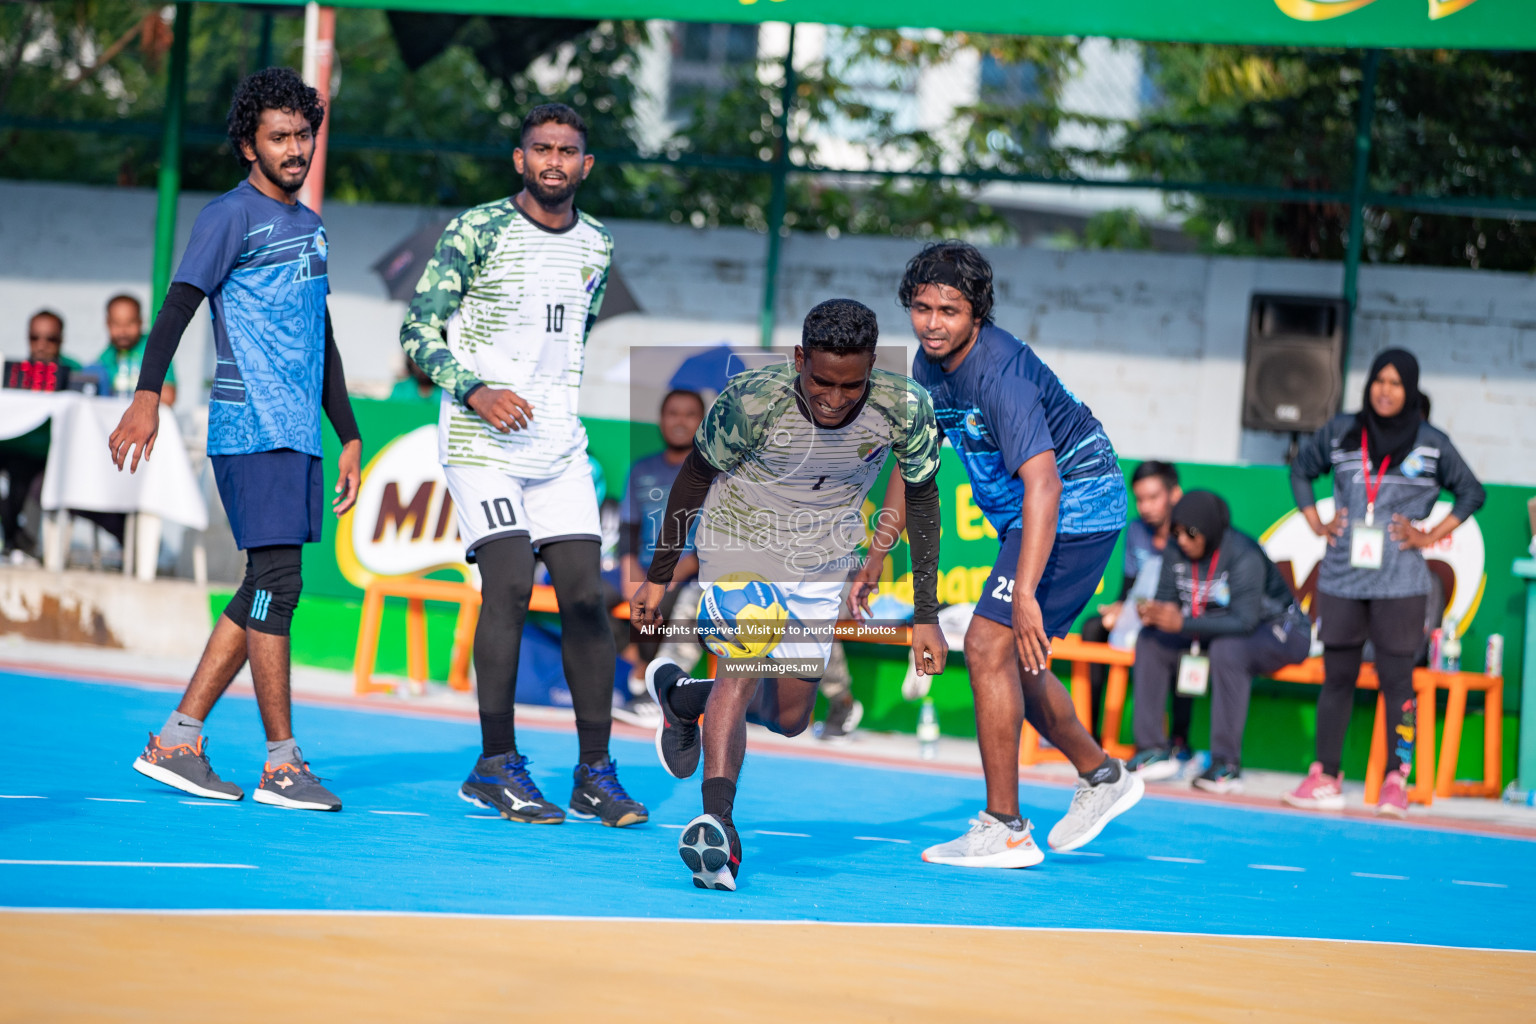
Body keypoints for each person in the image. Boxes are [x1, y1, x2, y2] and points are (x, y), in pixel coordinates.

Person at [108, 67, 362, 812]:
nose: (294, 148)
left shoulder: (312, 227)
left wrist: (347, 432)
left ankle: (179, 740)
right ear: (249, 144)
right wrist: (146, 394)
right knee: (278, 587)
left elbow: (322, 334)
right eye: (278, 136)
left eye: (303, 134)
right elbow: (179, 304)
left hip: (301, 433)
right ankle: (282, 764)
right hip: (249, 426)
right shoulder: (230, 216)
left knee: (261, 586)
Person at [633, 298, 947, 891]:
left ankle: (682, 697)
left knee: (792, 717)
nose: (833, 399)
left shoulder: (904, 407)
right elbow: (694, 478)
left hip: (821, 557)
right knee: (742, 659)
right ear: (800, 358)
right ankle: (717, 826)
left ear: (872, 366)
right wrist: (659, 573)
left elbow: (923, 499)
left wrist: (925, 615)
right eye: (821, 381)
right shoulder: (751, 401)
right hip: (739, 537)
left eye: (850, 386)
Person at [400, 102, 647, 830]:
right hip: (481, 442)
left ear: (586, 165)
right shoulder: (476, 229)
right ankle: (495, 764)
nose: (553, 161)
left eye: (567, 151)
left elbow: (572, 336)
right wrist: (476, 388)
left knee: (583, 599)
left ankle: (594, 775)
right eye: (541, 148)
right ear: (519, 158)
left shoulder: (598, 245)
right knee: (507, 585)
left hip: (558, 446)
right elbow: (417, 329)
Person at [863, 240, 1143, 869]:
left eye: (950, 311)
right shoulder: (928, 368)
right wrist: (878, 554)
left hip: (1077, 506)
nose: (933, 323)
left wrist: (1023, 596)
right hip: (1031, 514)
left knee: (990, 644)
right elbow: (914, 464)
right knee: (1012, 660)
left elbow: (1045, 483)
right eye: (922, 307)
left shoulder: (1001, 374)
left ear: (977, 315)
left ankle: (1006, 828)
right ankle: (1103, 778)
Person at [1282, 348, 1484, 817]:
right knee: (1338, 679)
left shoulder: (1432, 443)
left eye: (1396, 383)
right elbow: (1300, 469)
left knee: (1397, 683)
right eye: (1379, 381)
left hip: (1401, 584)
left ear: (1410, 389)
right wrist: (1317, 522)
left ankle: (1398, 779)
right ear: (1368, 384)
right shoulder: (1342, 431)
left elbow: (1473, 492)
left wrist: (1429, 535)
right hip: (1341, 579)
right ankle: (1325, 774)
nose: (1386, 391)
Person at [1130, 491, 1311, 792]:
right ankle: (1153, 750)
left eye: (1191, 533)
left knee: (1228, 649)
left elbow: (1245, 621)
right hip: (1214, 629)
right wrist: (1157, 614)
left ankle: (1226, 765)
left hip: (1279, 630)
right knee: (1152, 639)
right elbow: (1167, 602)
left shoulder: (1243, 552)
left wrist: (1181, 622)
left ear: (1210, 529)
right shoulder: (1175, 549)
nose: (1183, 540)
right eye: (1177, 532)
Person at [612, 388, 706, 724]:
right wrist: (628, 572)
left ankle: (647, 688)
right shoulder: (642, 469)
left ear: (703, 422)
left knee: (660, 604)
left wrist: (660, 580)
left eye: (689, 414)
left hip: (687, 572)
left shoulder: (712, 472)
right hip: (641, 566)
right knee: (585, 597)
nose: (680, 421)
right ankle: (635, 673)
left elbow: (709, 544)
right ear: (661, 420)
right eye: (673, 413)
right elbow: (628, 530)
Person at [1080, 459, 1185, 745]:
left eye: (1153, 497)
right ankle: (1088, 734)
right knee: (1092, 628)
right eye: (1140, 499)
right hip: (1138, 616)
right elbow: (1128, 589)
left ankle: (1177, 741)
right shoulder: (1136, 531)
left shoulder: (1188, 533)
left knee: (1180, 642)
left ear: (1174, 494)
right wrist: (1119, 608)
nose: (1146, 506)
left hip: (1174, 620)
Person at [0, 311, 80, 557]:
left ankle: (21, 541)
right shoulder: (15, 372)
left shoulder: (75, 373)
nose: (42, 345)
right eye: (35, 338)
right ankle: (17, 541)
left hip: (49, 458)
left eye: (50, 339)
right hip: (13, 451)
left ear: (61, 339)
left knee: (31, 485)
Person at [95, 295, 176, 405]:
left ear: (140, 321)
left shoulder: (155, 350)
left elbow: (168, 397)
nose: (123, 331)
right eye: (116, 324)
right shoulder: (105, 358)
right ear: (108, 324)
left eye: (130, 323)